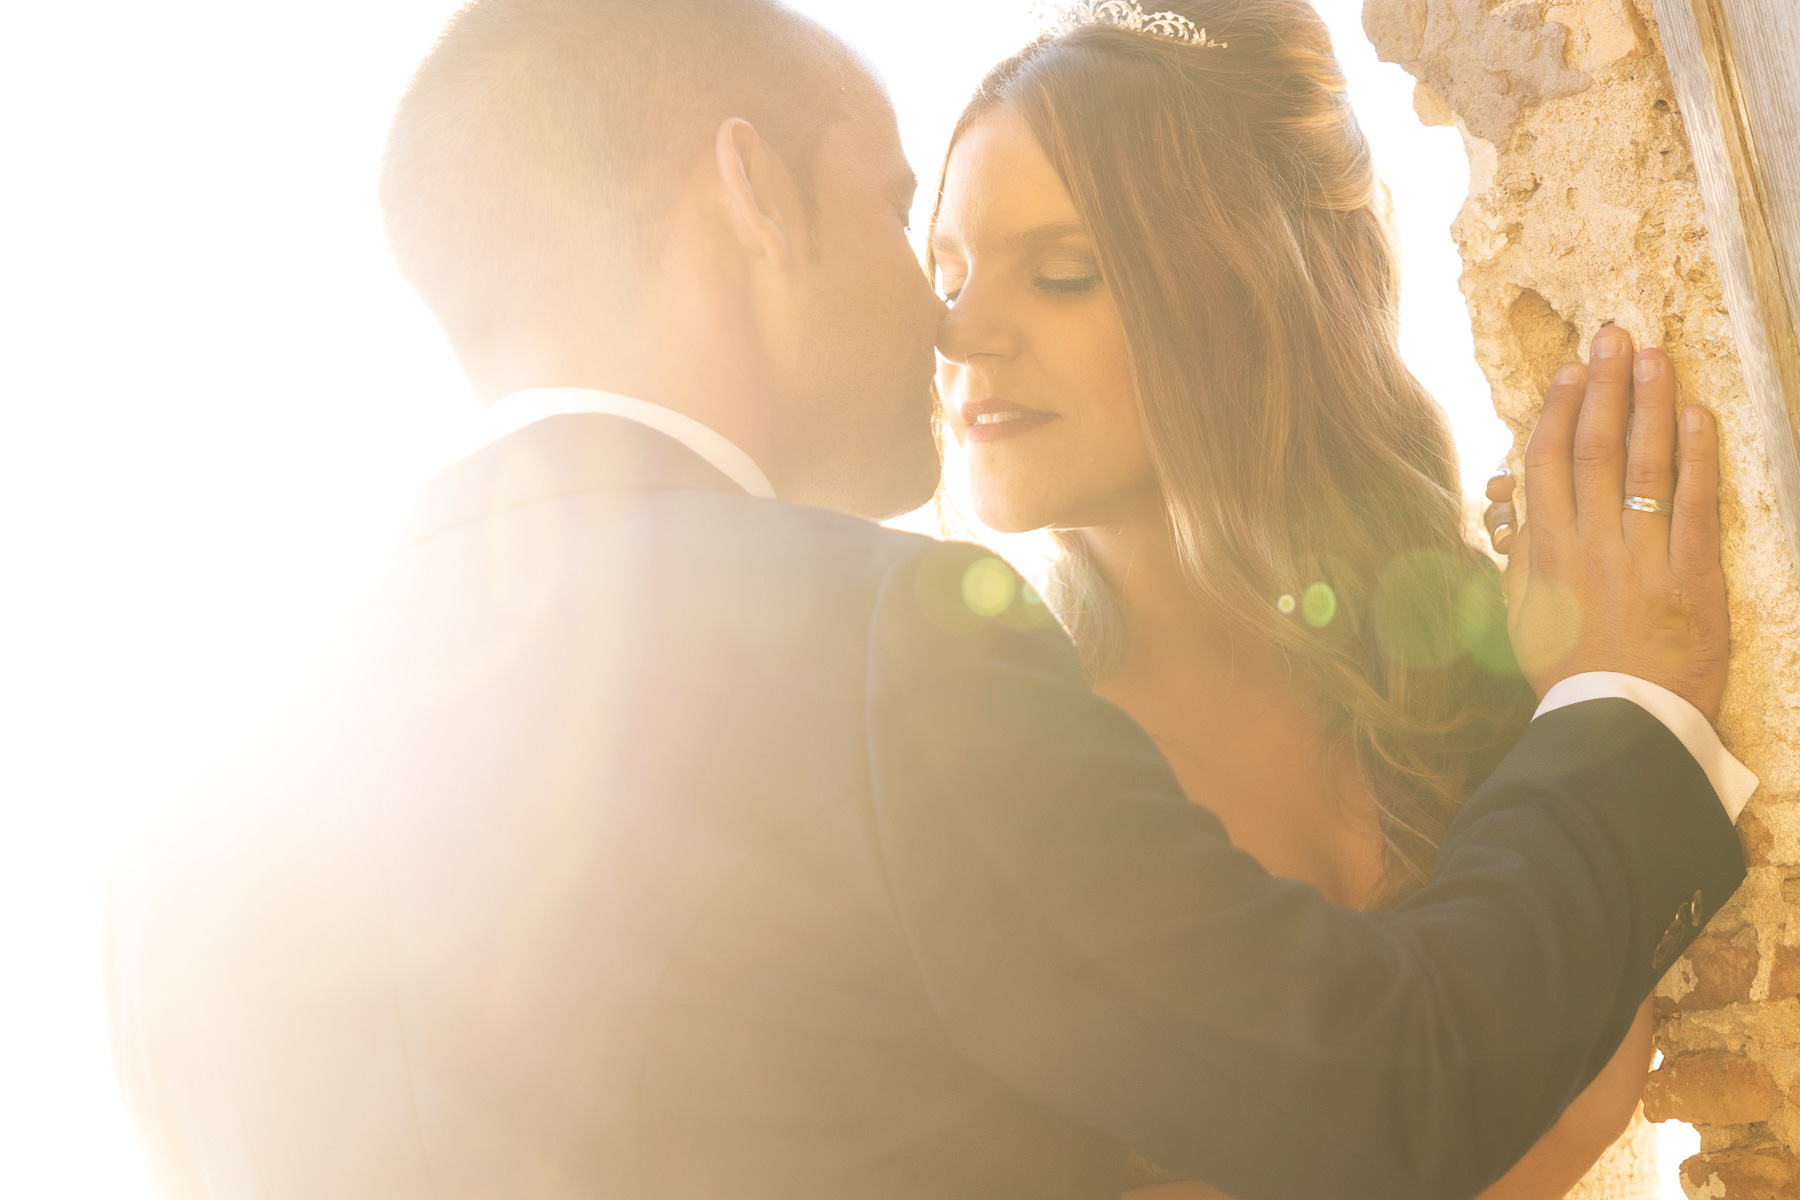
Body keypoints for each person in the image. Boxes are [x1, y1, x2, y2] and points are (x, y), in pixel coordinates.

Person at [105, 2, 1750, 1199]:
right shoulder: (881, 649)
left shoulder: (175, 840)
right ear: (754, 202)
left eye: (1057, 267)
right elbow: (1377, 1093)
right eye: (911, 223)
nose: (949, 326)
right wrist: (1633, 712)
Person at [926, 3, 1722, 1195]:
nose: (960, 330)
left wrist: (1609, 694)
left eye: (1062, 274)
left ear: (1249, 288)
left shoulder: (1480, 675)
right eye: (943, 269)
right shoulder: (1009, 775)